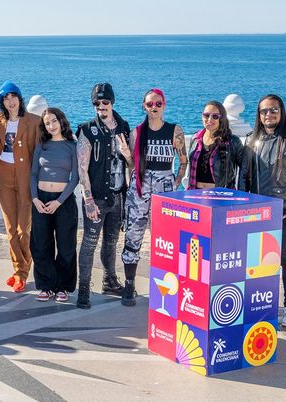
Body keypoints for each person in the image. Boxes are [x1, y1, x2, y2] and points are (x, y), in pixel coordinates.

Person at [239, 94, 286, 328]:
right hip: (257, 212)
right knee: (256, 260)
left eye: (273, 110)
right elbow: (243, 177)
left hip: (285, 212)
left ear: (281, 111)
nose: (269, 114)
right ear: (259, 114)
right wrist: (242, 207)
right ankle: (260, 304)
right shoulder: (251, 139)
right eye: (264, 111)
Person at [122, 88, 187, 306]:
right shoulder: (137, 133)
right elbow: (132, 165)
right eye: (150, 104)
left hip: (164, 188)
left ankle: (166, 289)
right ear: (144, 106)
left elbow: (183, 161)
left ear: (164, 105)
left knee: (166, 239)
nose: (154, 107)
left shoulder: (174, 131)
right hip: (140, 188)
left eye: (158, 103)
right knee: (133, 235)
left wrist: (175, 183)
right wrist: (126, 155)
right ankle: (129, 284)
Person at [75, 83, 132, 309]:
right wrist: (88, 200)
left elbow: (131, 163)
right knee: (89, 243)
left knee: (111, 242)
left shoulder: (124, 128)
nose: (101, 106)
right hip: (96, 199)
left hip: (118, 197)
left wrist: (128, 155)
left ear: (112, 102)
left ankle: (109, 281)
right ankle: (84, 289)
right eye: (96, 103)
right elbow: (82, 169)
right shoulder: (87, 130)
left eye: (105, 101)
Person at [0, 81, 39, 292]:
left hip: (25, 176)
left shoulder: (34, 121)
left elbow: (42, 151)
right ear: (2, 102)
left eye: (13, 97)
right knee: (10, 229)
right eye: (6, 98)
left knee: (23, 230)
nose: (10, 102)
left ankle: (22, 270)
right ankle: (19, 271)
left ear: (20, 99)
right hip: (3, 176)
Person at [30, 108, 79, 303]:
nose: (51, 125)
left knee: (66, 245)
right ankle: (46, 286)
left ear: (61, 120)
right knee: (41, 244)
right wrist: (35, 199)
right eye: (47, 123)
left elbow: (75, 178)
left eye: (54, 121)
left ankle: (63, 287)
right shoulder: (42, 146)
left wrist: (59, 202)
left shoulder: (72, 146)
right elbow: (33, 174)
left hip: (63, 202)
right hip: (40, 200)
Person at [187, 100, 243, 189]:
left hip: (221, 194)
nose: (209, 119)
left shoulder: (232, 142)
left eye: (215, 116)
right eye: (206, 115)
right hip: (195, 192)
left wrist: (241, 192)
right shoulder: (195, 139)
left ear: (221, 119)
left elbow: (245, 171)